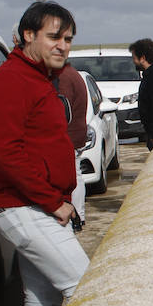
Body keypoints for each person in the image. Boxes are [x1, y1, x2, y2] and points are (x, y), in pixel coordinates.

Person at [0, 0, 90, 306]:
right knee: (86, 288)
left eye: (69, 39)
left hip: (37, 206)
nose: (63, 45)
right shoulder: (8, 81)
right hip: (24, 208)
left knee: (40, 302)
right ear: (29, 35)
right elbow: (6, 154)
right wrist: (53, 202)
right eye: (54, 37)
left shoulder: (38, 79)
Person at [56, 59, 89, 226]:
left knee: (73, 178)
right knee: (77, 176)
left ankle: (76, 215)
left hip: (69, 136)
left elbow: (61, 107)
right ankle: (79, 215)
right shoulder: (74, 74)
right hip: (76, 135)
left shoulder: (63, 77)